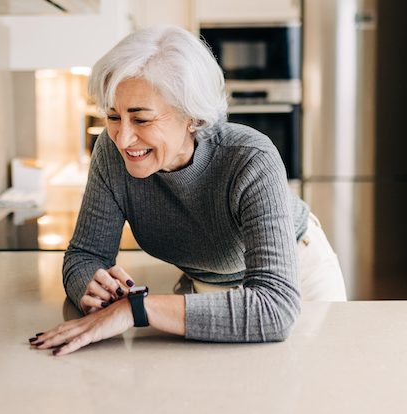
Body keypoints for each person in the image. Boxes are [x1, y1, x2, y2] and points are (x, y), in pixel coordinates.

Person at [30, 25, 346, 356]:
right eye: (113, 116)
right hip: (207, 287)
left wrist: (136, 308)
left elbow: (275, 308)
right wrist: (89, 284)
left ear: (191, 116)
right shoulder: (110, 155)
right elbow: (85, 254)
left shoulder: (250, 158)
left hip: (298, 279)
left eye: (141, 120)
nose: (122, 139)